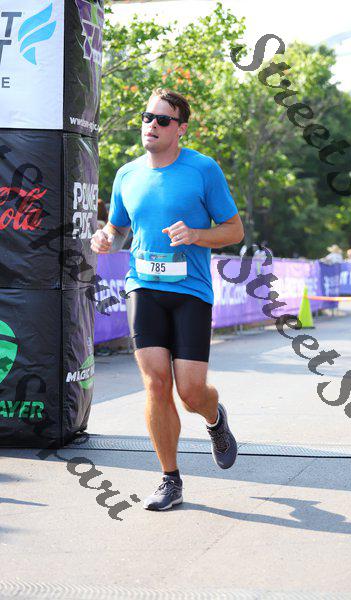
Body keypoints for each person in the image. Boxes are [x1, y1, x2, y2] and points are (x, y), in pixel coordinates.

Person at [90, 88, 244, 511]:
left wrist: (196, 234)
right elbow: (118, 228)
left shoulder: (203, 170)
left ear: (181, 129)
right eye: (147, 117)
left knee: (191, 391)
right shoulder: (127, 174)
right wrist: (105, 237)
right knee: (156, 382)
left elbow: (234, 230)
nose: (151, 125)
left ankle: (214, 418)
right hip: (143, 286)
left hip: (190, 291)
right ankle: (169, 479)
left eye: (162, 120)